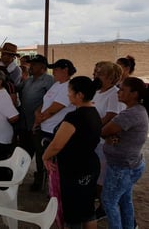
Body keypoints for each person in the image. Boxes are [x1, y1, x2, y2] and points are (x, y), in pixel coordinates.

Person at [42, 76, 101, 229]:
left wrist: (45, 156)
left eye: (69, 92)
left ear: (79, 95)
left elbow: (56, 144)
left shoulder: (75, 117)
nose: (68, 95)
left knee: (73, 213)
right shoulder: (94, 112)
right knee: (87, 209)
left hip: (75, 168)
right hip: (90, 165)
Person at [101, 77, 148, 229]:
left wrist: (107, 135)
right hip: (129, 164)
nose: (118, 92)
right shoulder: (135, 111)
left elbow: (104, 130)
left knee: (109, 201)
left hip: (122, 167)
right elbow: (109, 132)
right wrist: (109, 135)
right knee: (124, 199)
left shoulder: (131, 114)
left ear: (134, 94)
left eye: (122, 90)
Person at [31, 59, 77, 191]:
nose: (53, 72)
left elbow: (55, 108)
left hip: (55, 130)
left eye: (56, 69)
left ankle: (54, 189)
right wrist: (37, 112)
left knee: (54, 160)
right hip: (45, 127)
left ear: (65, 70)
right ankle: (46, 183)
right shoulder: (56, 84)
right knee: (43, 157)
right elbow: (46, 102)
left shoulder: (68, 86)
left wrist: (39, 119)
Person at [91, 61, 125, 220]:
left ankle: (104, 207)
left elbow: (111, 116)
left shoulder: (114, 94)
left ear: (111, 78)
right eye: (95, 72)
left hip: (104, 142)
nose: (95, 75)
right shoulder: (97, 91)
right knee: (96, 173)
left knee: (102, 177)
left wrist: (94, 128)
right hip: (95, 139)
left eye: (99, 73)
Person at [16, 54, 54, 158]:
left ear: (43, 67)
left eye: (34, 64)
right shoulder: (28, 80)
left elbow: (51, 100)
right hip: (25, 123)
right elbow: (15, 89)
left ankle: (40, 173)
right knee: (24, 151)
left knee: (40, 152)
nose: (30, 67)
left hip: (39, 124)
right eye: (30, 64)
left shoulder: (49, 80)